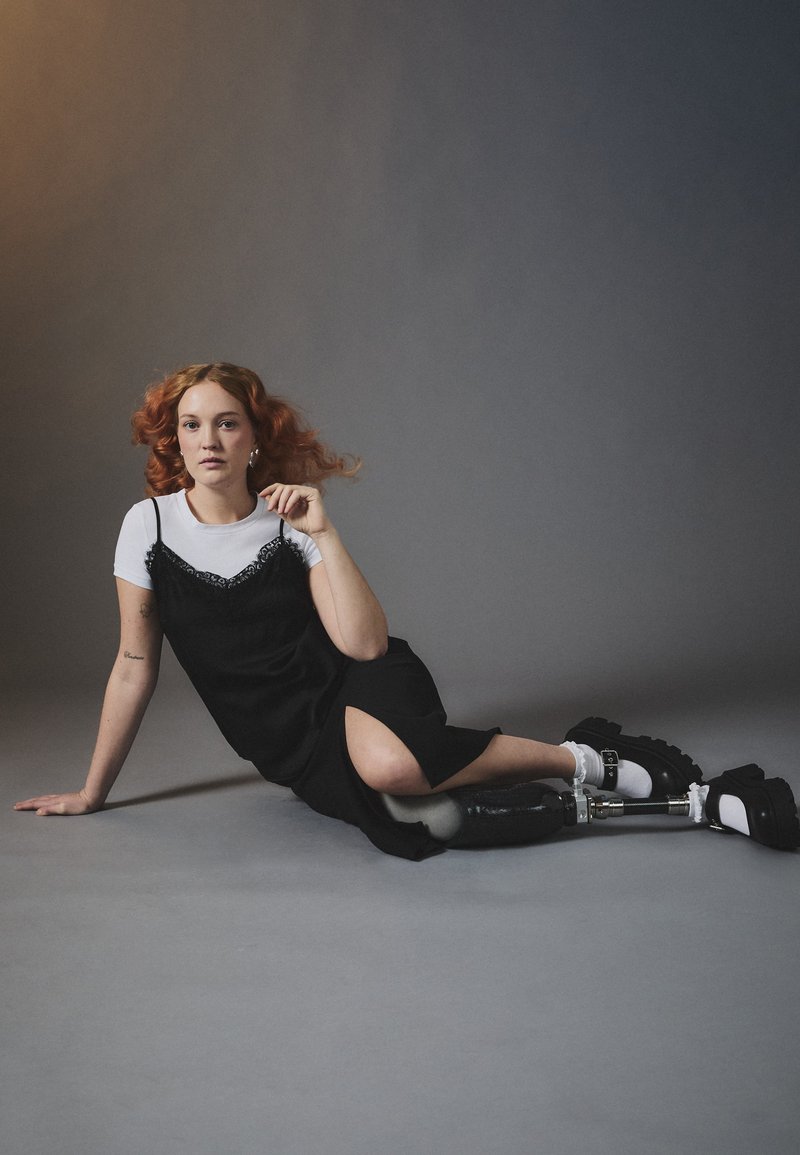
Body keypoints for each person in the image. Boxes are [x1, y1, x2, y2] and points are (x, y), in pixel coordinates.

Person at [15, 363, 799, 858]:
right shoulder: (147, 527)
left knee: (393, 767)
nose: (207, 438)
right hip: (291, 742)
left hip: (362, 685)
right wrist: (93, 791)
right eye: (192, 423)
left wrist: (324, 532)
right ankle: (594, 763)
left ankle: (587, 764)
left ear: (255, 437)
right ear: (174, 439)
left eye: (227, 422)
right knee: (423, 817)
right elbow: (133, 663)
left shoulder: (289, 522)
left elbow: (364, 645)